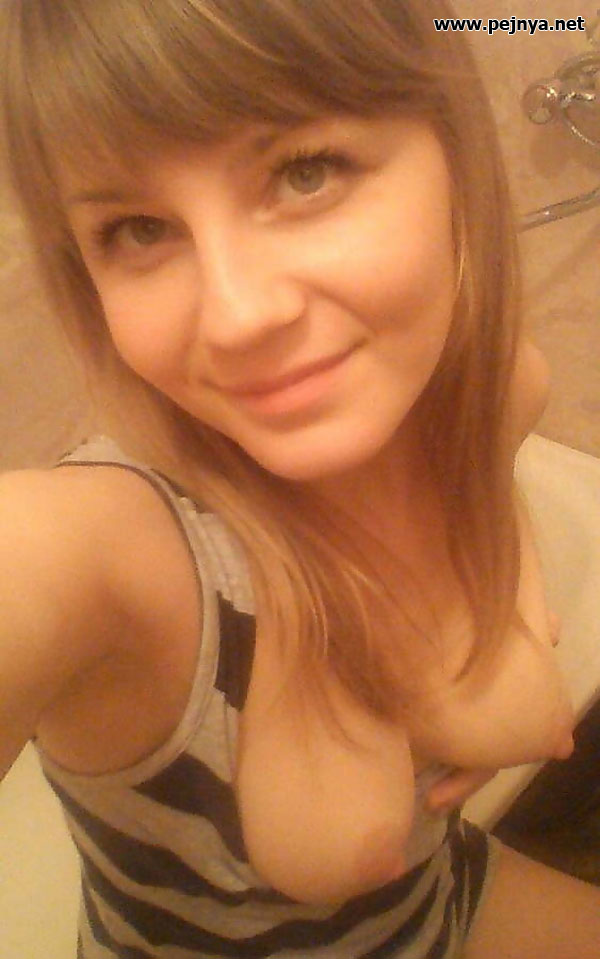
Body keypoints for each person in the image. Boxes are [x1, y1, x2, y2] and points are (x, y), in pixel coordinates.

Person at [0, 0, 599, 956]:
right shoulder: (108, 551)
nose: (237, 315)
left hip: (447, 902)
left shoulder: (493, 399)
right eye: (140, 229)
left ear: (452, 153)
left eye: (303, 171)